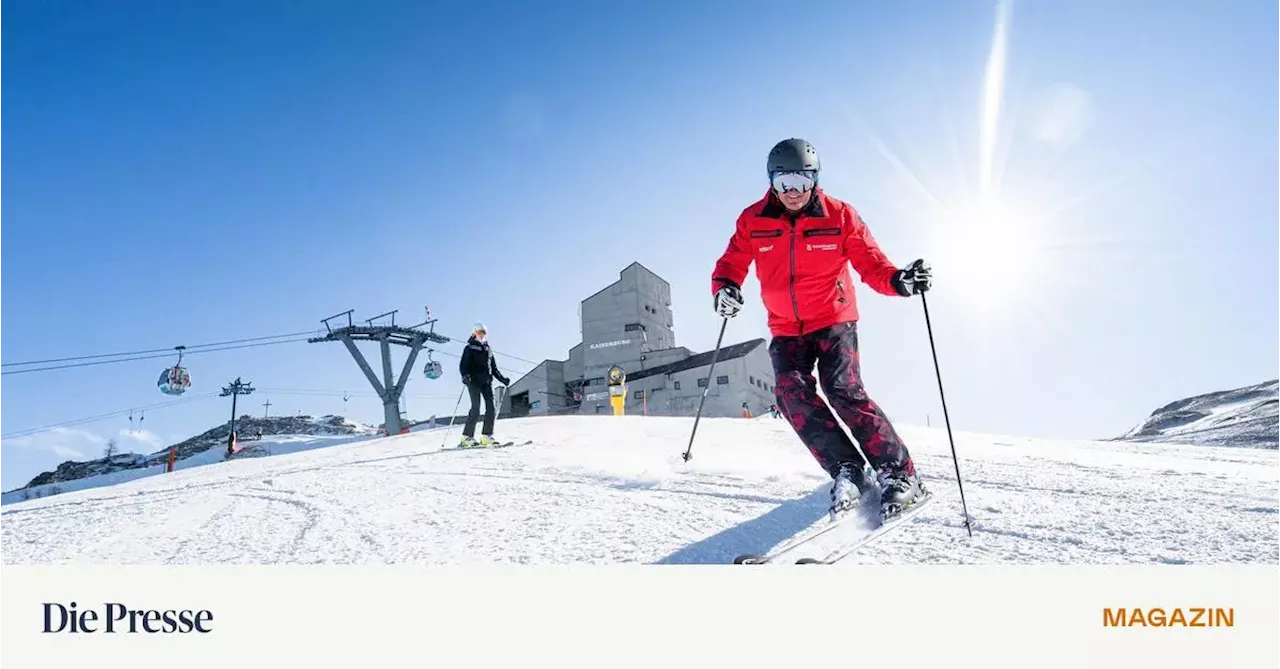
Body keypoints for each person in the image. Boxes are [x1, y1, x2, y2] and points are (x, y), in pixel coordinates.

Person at [710, 138, 934, 521]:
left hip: (834, 319)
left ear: (815, 178)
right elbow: (731, 263)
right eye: (783, 182)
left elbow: (873, 265)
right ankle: (848, 468)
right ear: (771, 182)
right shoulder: (753, 220)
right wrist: (724, 289)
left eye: (801, 180)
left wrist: (900, 281)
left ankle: (900, 474)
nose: (793, 191)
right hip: (785, 327)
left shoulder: (840, 215)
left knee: (842, 388)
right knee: (789, 393)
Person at [458, 322, 511, 447]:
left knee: (491, 408)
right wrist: (465, 376)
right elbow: (463, 365)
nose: (481, 335)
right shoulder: (469, 348)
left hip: (486, 382)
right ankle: (466, 437)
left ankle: (486, 436)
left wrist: (502, 379)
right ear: (474, 333)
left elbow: (493, 368)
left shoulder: (488, 349)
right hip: (473, 381)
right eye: (479, 333)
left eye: (483, 333)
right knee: (476, 408)